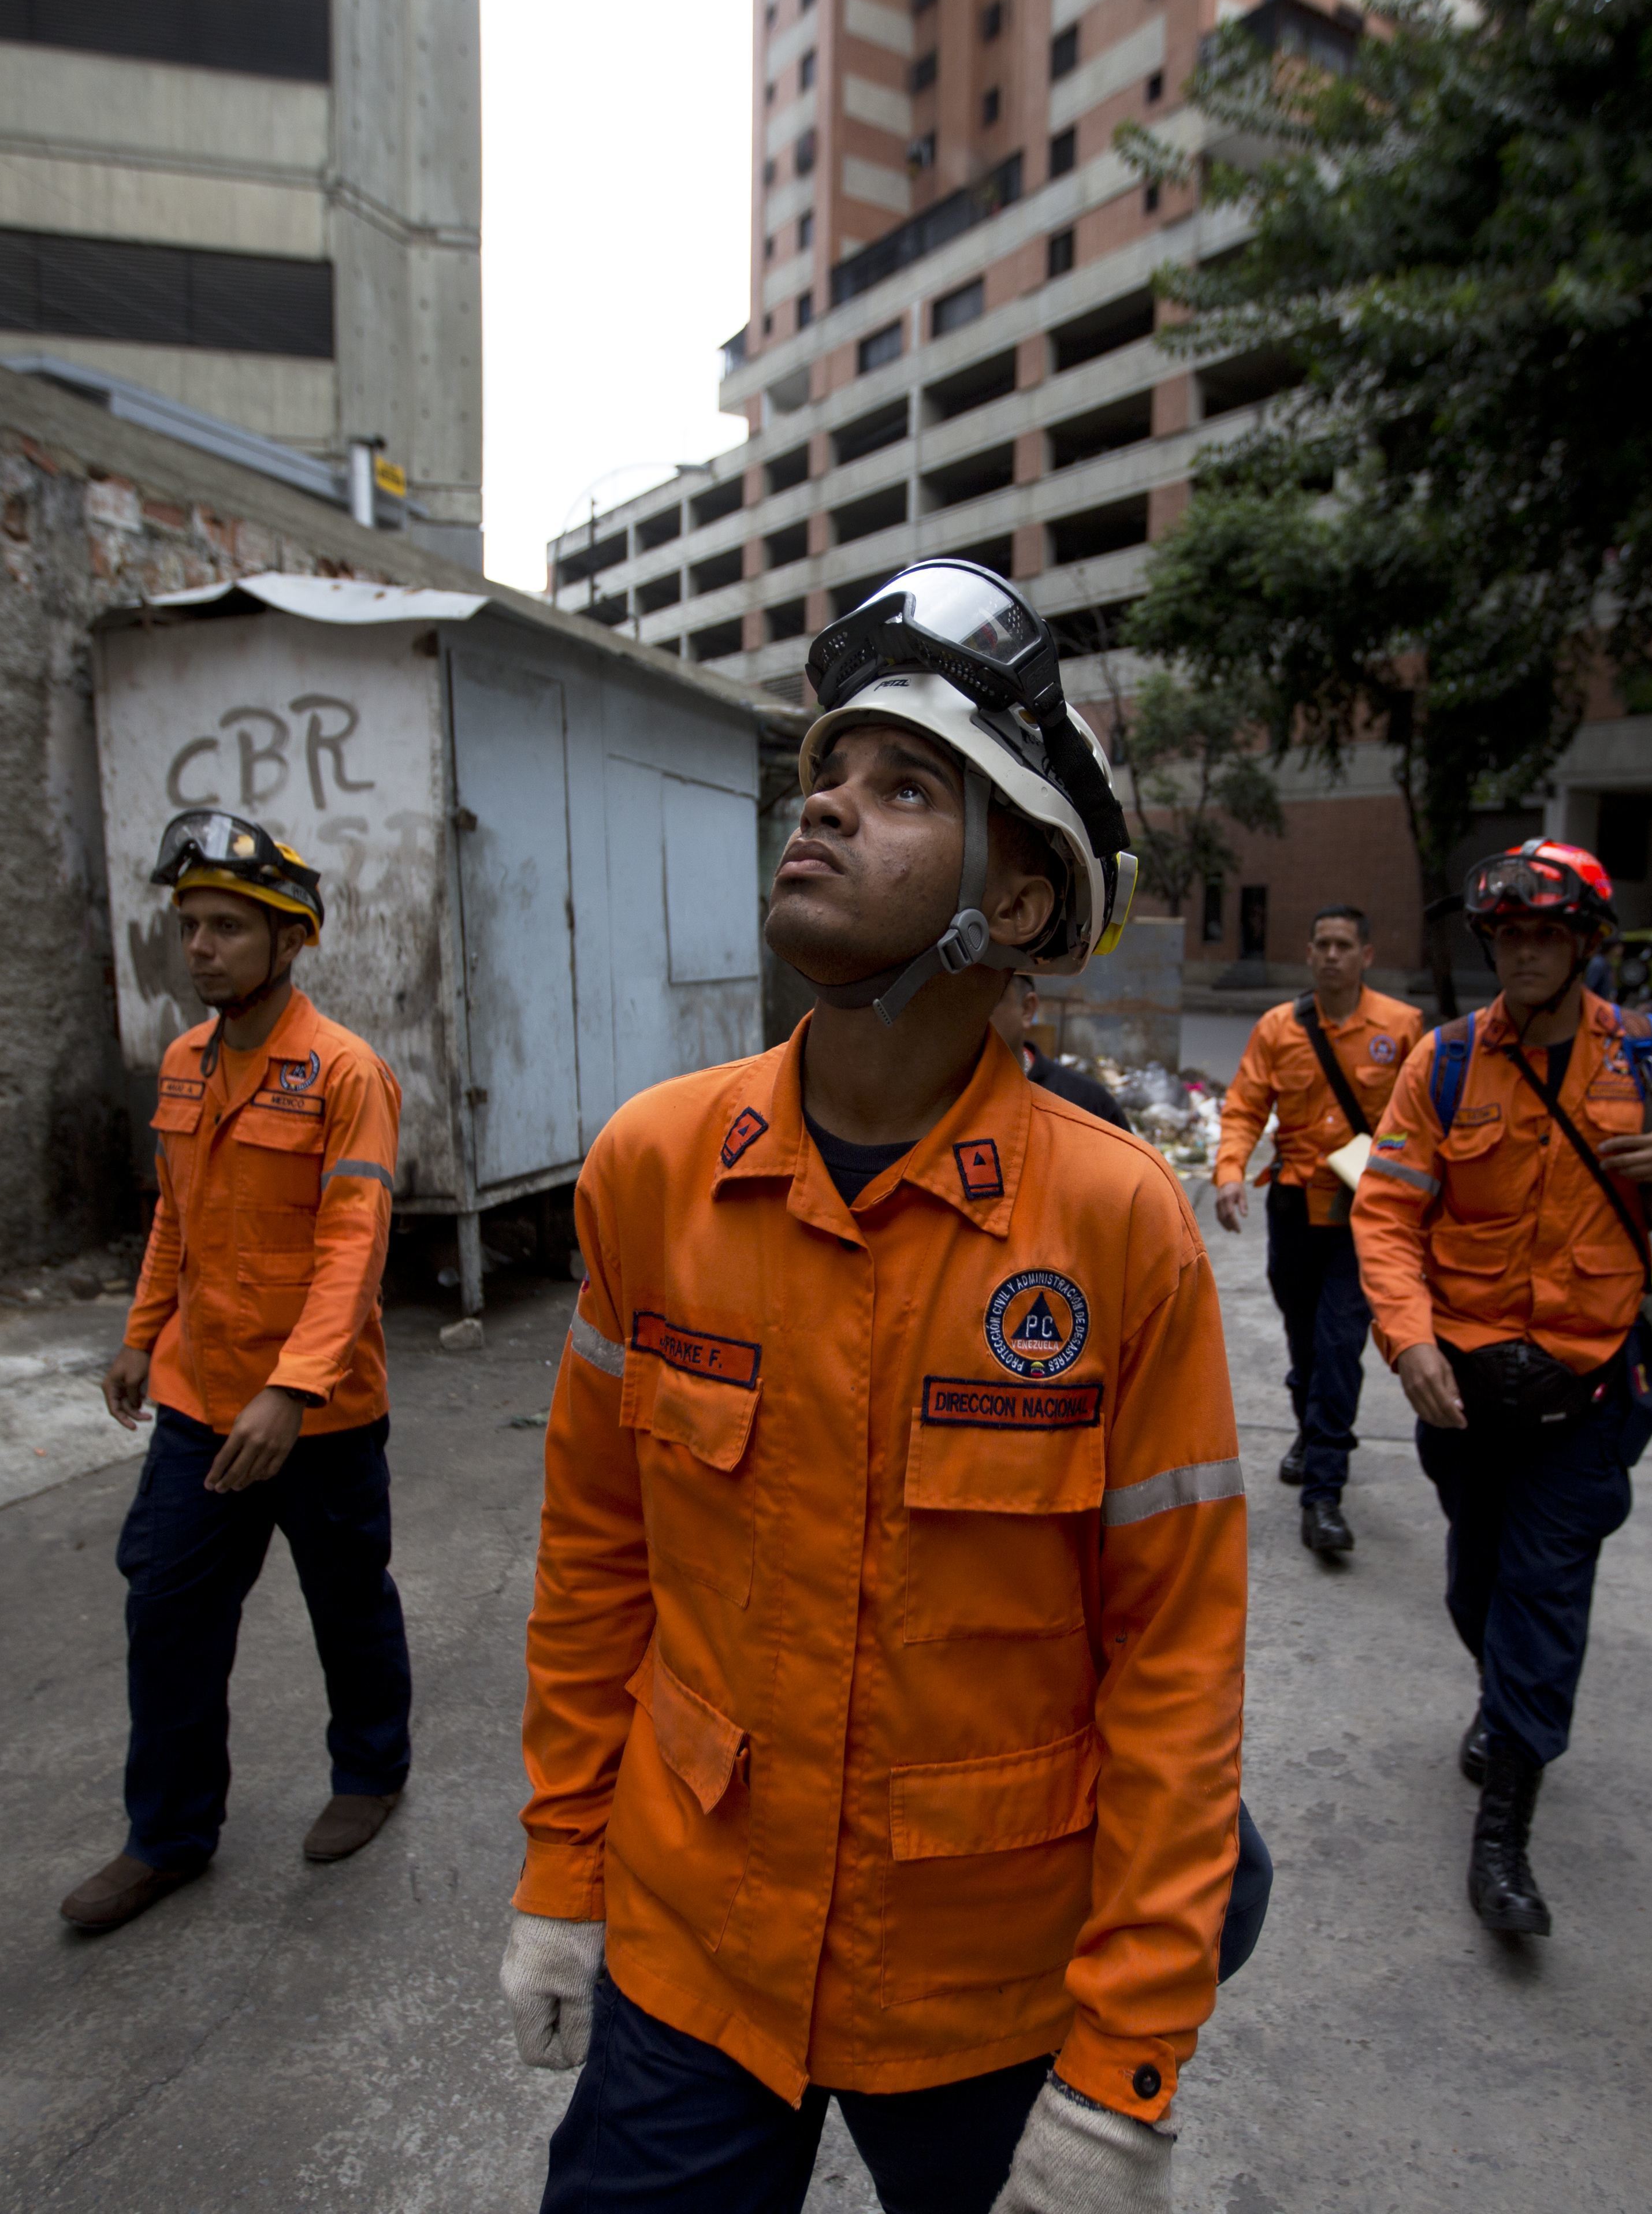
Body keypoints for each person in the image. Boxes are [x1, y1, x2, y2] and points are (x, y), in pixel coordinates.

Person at [505, 560, 1247, 2214]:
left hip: (986, 1994)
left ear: (1027, 903)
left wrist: (1126, 2064)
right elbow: (595, 1564)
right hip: (698, 1957)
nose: (826, 809)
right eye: (824, 776)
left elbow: (1177, 1670)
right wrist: (563, 1874)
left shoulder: (1117, 1224)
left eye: (903, 788)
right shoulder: (656, 1170)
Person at [1352, 839, 1652, 1940]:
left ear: (1585, 946)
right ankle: (1504, 1695)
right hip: (1464, 1392)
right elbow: (1386, 1212)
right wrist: (1409, 1339)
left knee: (1543, 1593)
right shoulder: (1444, 1062)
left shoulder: (1650, 1053)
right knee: (1476, 1589)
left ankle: (1506, 1830)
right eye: (1508, 935)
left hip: (1592, 1390)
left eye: (1546, 935)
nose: (1523, 953)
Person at [65, 810, 411, 1933]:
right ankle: (166, 1838)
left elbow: (353, 1247)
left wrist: (292, 1388)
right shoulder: (182, 1065)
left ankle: (369, 1772)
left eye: (226, 927)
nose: (200, 947)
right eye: (190, 926)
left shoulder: (346, 1073)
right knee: (166, 1615)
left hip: (320, 1418)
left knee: (346, 1603)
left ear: (290, 939)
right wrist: (138, 1330)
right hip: (198, 1405)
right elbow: (179, 1215)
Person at [1212, 905, 1428, 1555]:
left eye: (1345, 945)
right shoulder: (1280, 1028)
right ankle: (1311, 1425)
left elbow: (1425, 1118)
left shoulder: (1402, 1026)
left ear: (1366, 954)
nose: (1332, 955)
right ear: (1309, 954)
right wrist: (1228, 1171)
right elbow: (1246, 1105)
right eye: (1323, 944)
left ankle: (1324, 1494)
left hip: (1366, 1213)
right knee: (1305, 1337)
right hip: (1293, 1207)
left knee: (1340, 1343)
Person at [992, 972, 1131, 1129]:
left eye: (989, 999)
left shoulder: (1087, 1104)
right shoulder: (960, 1100)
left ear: (1027, 1009)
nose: (969, 1013)